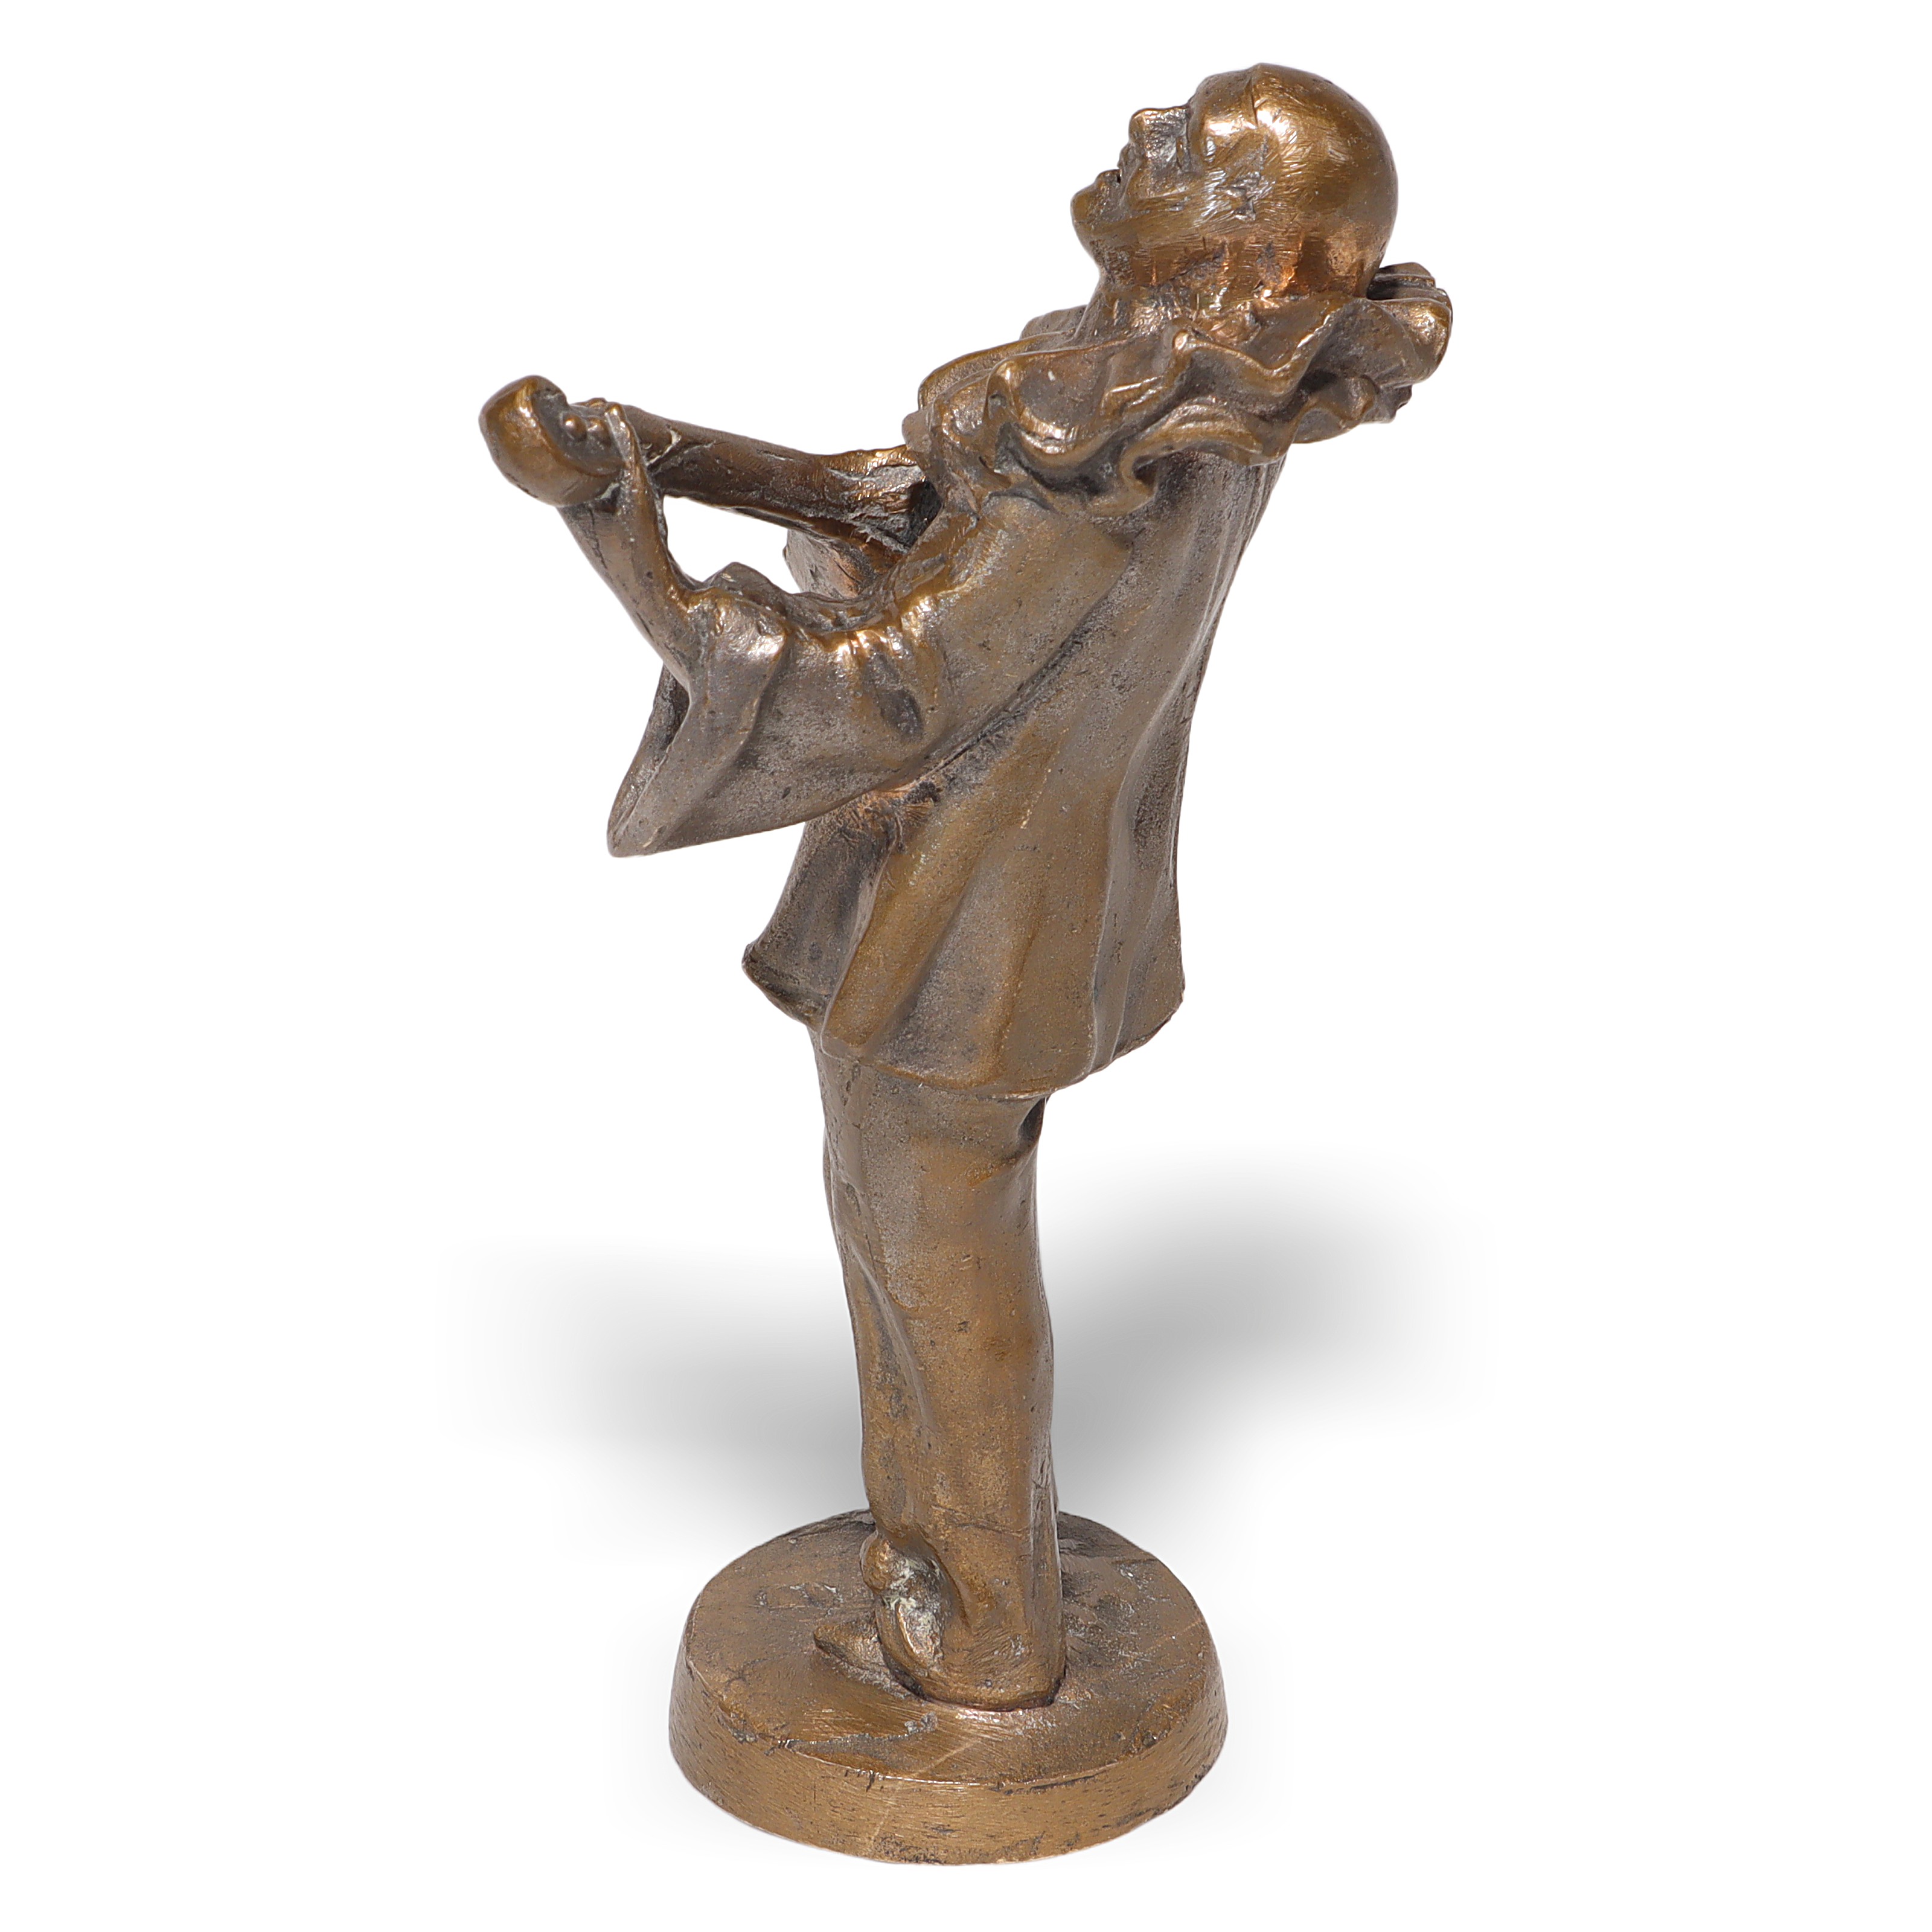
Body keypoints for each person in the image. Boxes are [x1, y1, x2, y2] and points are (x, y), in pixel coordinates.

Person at [481, 63, 1450, 1710]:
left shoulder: (1108, 463)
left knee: (929, 1250)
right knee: (904, 1230)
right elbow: (914, 507)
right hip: (1017, 905)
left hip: (965, 929)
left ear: (1234, 254)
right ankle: (940, 1555)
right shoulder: (1147, 414)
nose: (1146, 129)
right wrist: (672, 451)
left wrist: (611, 533)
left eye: (1191, 143)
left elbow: (876, 697)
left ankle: (991, 1629)